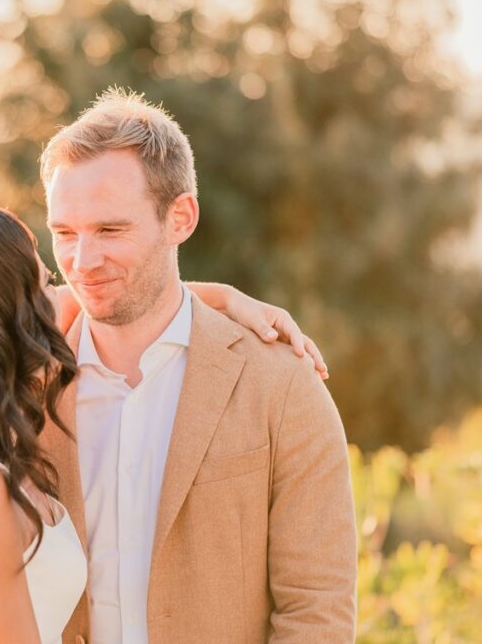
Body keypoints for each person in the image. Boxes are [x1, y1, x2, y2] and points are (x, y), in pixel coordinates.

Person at [0, 203, 323, 643]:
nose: (62, 297)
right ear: (6, 320)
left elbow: (124, 300)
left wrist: (223, 298)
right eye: (45, 283)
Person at [38, 89, 357, 643]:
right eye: (65, 233)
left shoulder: (281, 384)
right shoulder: (21, 385)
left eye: (110, 230)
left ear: (180, 217)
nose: (82, 262)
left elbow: (317, 612)